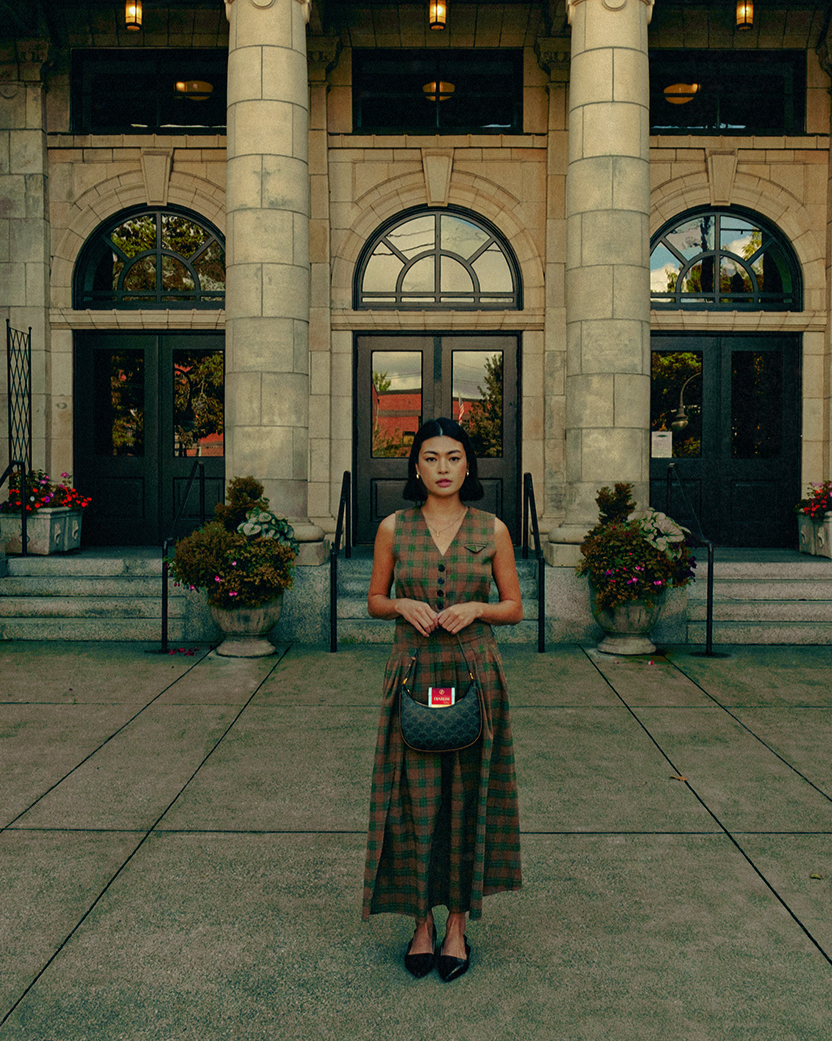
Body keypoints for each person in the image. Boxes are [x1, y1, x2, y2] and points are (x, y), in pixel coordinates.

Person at [361, 416, 523, 982]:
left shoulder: (492, 529)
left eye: (453, 458)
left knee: (468, 798)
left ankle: (456, 924)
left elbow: (514, 607)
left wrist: (476, 609)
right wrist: (402, 605)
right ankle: (420, 923)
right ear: (415, 467)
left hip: (475, 671)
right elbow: (375, 599)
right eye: (431, 458)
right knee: (411, 801)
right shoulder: (393, 528)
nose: (443, 468)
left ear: (468, 465)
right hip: (411, 670)